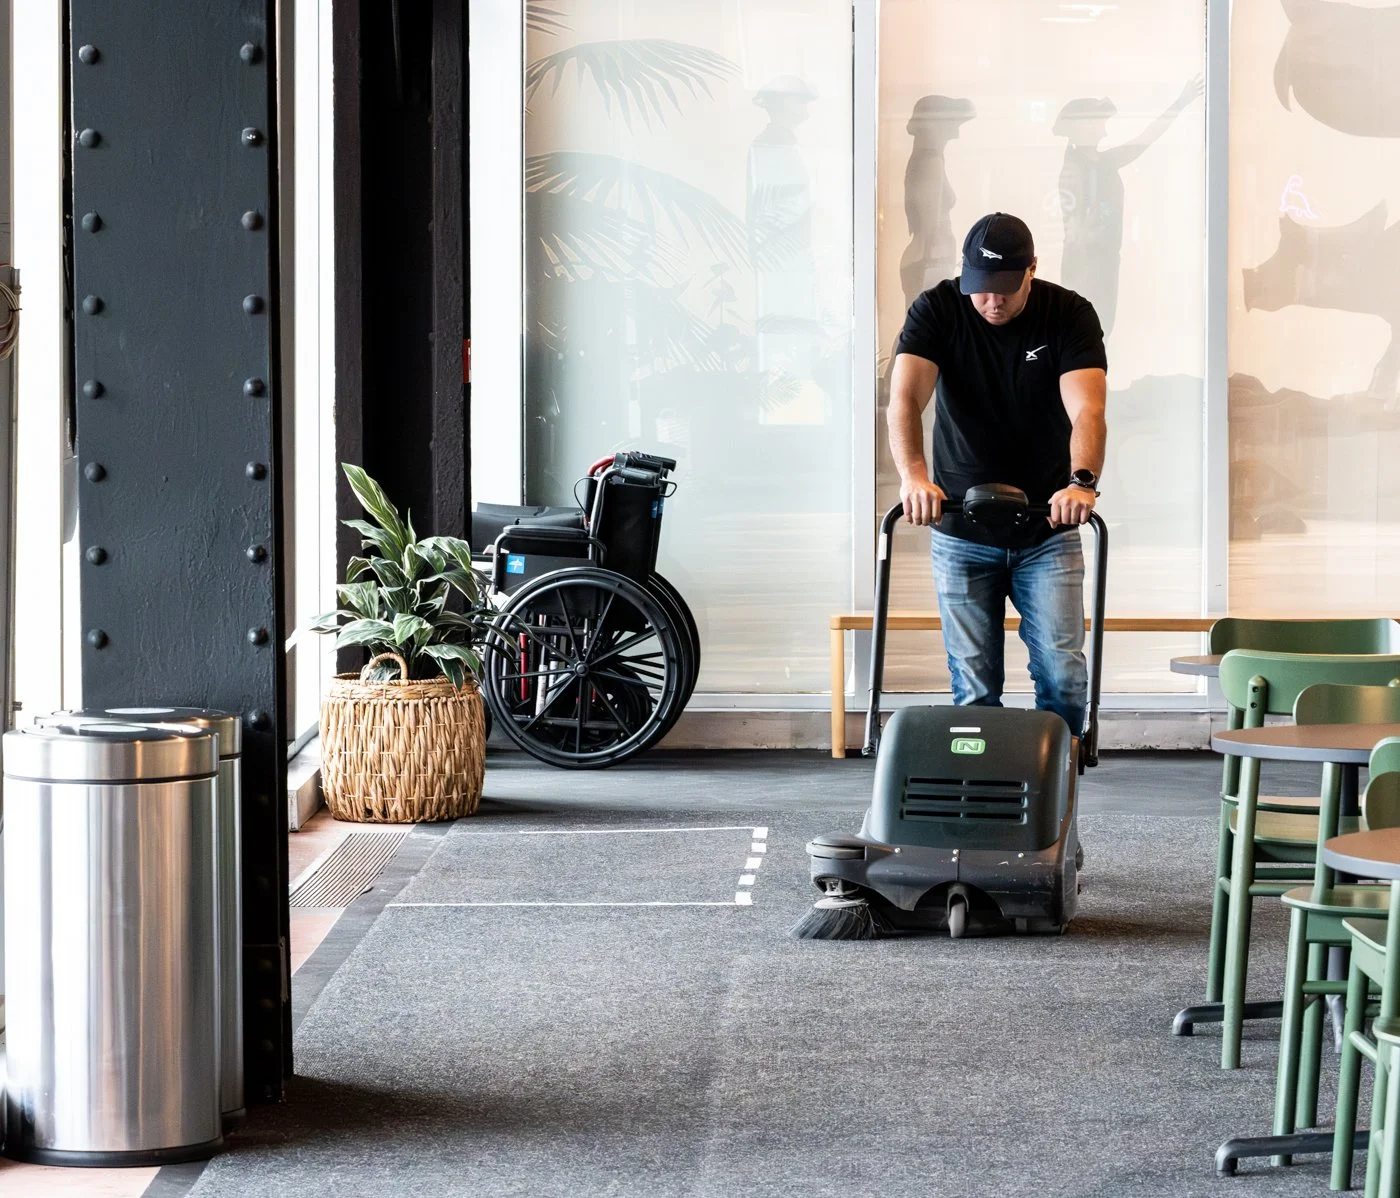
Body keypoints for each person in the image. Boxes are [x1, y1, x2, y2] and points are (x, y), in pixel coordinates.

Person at [887, 212, 1107, 735]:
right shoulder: (938, 309)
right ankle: (983, 804)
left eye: (1005, 288)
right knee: (974, 686)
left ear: (1032, 269)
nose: (992, 301)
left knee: (1063, 676)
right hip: (962, 530)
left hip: (1046, 530)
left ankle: (1055, 790)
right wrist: (914, 476)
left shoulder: (1068, 313)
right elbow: (904, 398)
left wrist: (1081, 482)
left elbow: (1088, 411)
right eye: (980, 290)